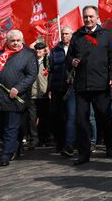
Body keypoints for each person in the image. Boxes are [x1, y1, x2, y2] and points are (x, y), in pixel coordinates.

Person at [66, 5, 112, 165]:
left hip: (101, 84)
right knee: (81, 120)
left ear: (97, 17)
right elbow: (69, 58)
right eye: (85, 17)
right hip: (81, 85)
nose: (88, 19)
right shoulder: (77, 36)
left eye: (91, 16)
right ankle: (84, 153)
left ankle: (109, 145)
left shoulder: (106, 35)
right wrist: (72, 62)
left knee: (104, 117)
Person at [0, 30, 37, 166]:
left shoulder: (28, 55)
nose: (15, 43)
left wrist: (18, 88)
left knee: (11, 127)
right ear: (7, 41)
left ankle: (6, 155)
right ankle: (14, 144)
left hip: (14, 97)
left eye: (18, 40)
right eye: (12, 41)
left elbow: (31, 75)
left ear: (22, 41)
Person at [48, 26, 76, 157]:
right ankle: (60, 143)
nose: (64, 36)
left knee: (70, 116)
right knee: (56, 116)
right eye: (63, 34)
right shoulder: (55, 50)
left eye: (67, 34)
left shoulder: (76, 48)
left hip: (72, 88)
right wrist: (50, 88)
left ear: (72, 35)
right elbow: (51, 70)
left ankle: (70, 143)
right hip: (57, 87)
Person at [27, 42, 50, 148]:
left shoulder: (48, 62)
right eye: (36, 49)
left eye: (40, 49)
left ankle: (43, 138)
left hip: (44, 94)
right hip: (32, 94)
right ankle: (34, 139)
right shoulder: (30, 62)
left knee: (44, 118)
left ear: (44, 50)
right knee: (32, 119)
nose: (38, 51)